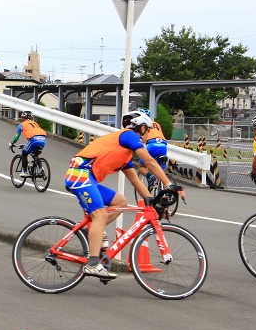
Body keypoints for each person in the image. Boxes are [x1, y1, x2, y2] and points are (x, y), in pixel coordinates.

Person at [64, 110, 185, 279]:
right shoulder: (129, 135)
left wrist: (153, 202)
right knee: (99, 215)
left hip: (87, 177)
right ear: (141, 128)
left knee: (121, 202)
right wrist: (169, 183)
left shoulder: (125, 154)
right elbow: (149, 161)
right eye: (147, 131)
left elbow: (136, 181)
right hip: (80, 174)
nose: (146, 136)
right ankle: (92, 264)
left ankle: (90, 231)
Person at [135, 108, 168, 191]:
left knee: (141, 166)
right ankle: (166, 191)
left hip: (152, 145)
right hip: (163, 145)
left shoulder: (143, 125)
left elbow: (143, 139)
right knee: (161, 170)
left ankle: (151, 177)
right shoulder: (156, 124)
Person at [8, 111, 47, 178]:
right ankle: (41, 169)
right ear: (31, 118)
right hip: (43, 139)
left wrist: (11, 143)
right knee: (35, 154)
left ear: (23, 118)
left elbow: (16, 137)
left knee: (24, 153)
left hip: (34, 140)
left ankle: (25, 172)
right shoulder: (35, 123)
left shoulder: (22, 125)